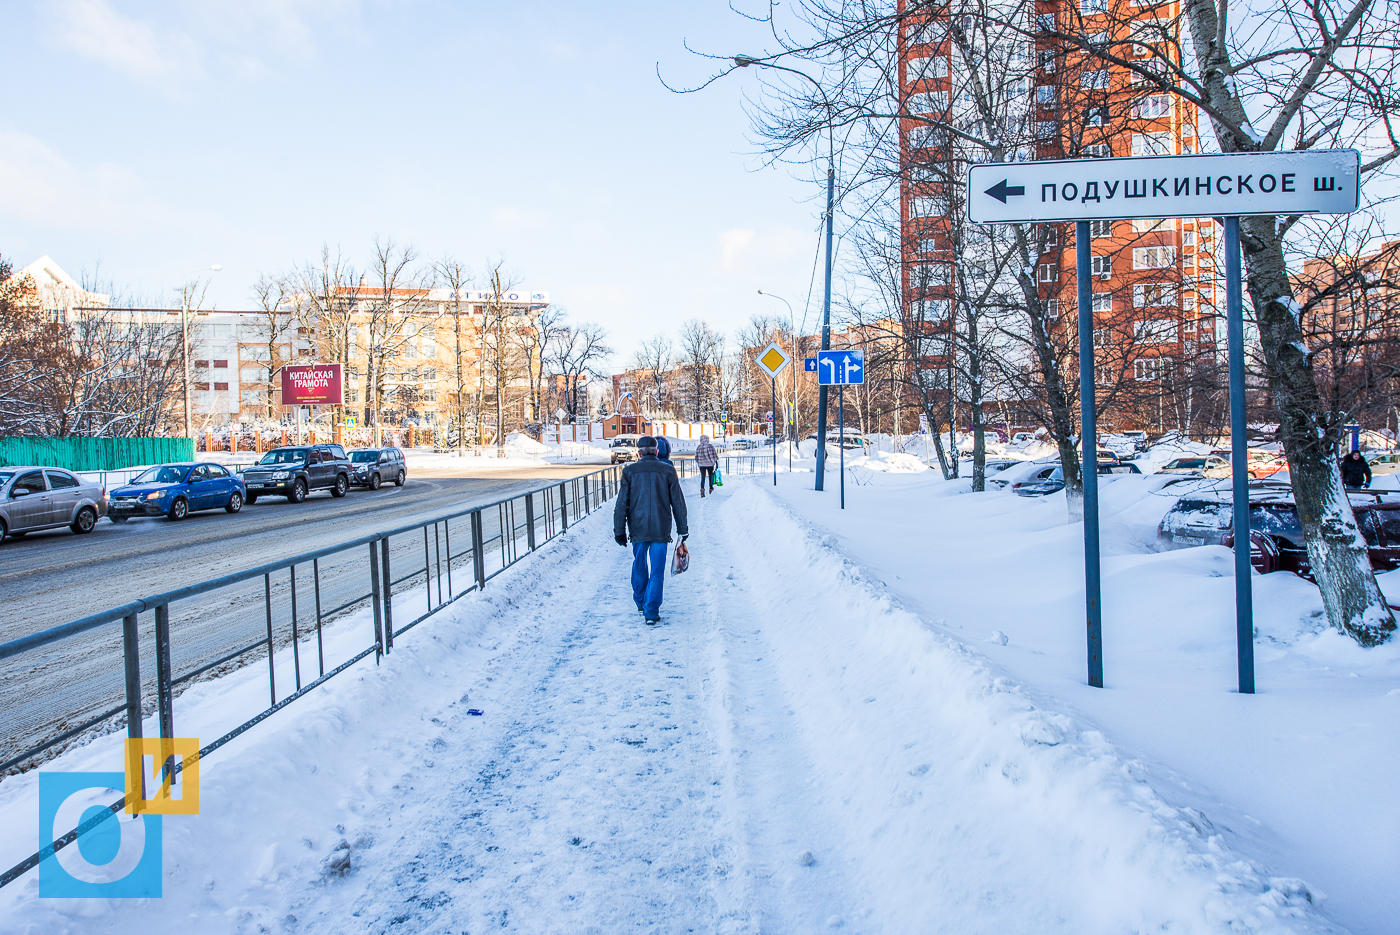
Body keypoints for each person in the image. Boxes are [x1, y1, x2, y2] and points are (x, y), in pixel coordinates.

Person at [614, 435, 688, 624]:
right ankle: (651, 611)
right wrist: (683, 529)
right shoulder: (668, 470)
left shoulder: (630, 472)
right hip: (660, 529)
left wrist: (619, 530)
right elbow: (678, 502)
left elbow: (622, 503)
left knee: (639, 563)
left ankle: (640, 601)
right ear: (656, 451)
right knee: (657, 570)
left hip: (637, 528)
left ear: (638, 453)